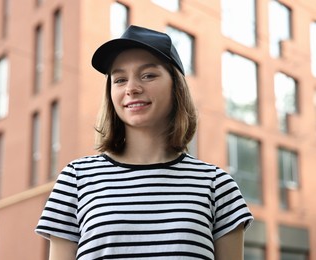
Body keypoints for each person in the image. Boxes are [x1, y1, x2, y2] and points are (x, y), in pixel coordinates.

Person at [35, 25, 253, 260]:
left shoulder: (217, 185)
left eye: (148, 75)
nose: (131, 88)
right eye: (119, 79)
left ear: (176, 86)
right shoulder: (76, 178)